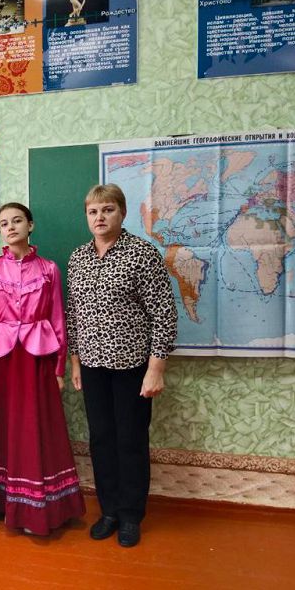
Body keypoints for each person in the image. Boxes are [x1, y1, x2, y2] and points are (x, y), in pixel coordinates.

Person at [0, 202, 86, 535]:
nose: (11, 227)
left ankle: (34, 509)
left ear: (30, 225)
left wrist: (59, 367)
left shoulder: (49, 269)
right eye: (4, 223)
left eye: (17, 220)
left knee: (35, 426)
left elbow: (58, 318)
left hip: (36, 357)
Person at [66, 183, 177, 548]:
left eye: (107, 209)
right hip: (92, 365)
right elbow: (73, 315)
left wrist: (156, 368)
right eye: (93, 211)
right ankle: (109, 510)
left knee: (130, 441)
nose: (100, 217)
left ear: (122, 213)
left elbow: (164, 313)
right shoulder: (78, 258)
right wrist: (76, 362)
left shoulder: (142, 253)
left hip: (132, 366)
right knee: (101, 440)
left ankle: (130, 515)